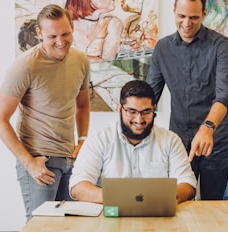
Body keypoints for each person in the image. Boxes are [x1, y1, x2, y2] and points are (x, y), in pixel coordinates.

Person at [0, 4, 90, 220]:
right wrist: (29, 162)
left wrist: (82, 139)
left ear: (72, 27)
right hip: (40, 161)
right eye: (52, 36)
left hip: (69, 159)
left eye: (65, 33)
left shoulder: (81, 60)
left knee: (71, 226)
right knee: (41, 229)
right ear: (39, 34)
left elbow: (82, 105)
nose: (60, 41)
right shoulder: (25, 66)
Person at [146, 0, 228, 199]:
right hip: (179, 141)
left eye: (194, 17)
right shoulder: (163, 48)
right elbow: (150, 95)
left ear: (204, 13)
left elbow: (225, 93)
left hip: (216, 139)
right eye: (182, 16)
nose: (187, 23)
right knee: (177, 201)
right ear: (174, 12)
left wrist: (208, 127)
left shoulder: (220, 45)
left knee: (213, 206)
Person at [69, 80, 197, 204]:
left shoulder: (171, 140)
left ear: (154, 109)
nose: (139, 119)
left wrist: (166, 198)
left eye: (146, 112)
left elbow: (188, 183)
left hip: (158, 216)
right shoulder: (99, 139)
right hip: (110, 215)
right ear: (120, 109)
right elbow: (77, 186)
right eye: (132, 111)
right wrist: (120, 199)